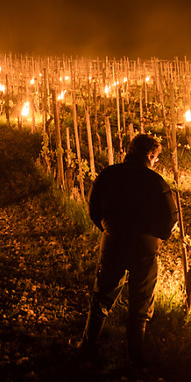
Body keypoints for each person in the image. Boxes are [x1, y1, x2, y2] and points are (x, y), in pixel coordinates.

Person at [78, 134, 178, 367]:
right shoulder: (157, 183)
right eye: (156, 158)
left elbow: (93, 207)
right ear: (150, 155)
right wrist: (157, 236)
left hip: (114, 242)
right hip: (144, 248)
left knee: (102, 297)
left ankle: (87, 347)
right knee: (140, 304)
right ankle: (135, 358)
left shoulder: (108, 175)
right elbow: (170, 219)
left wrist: (107, 228)